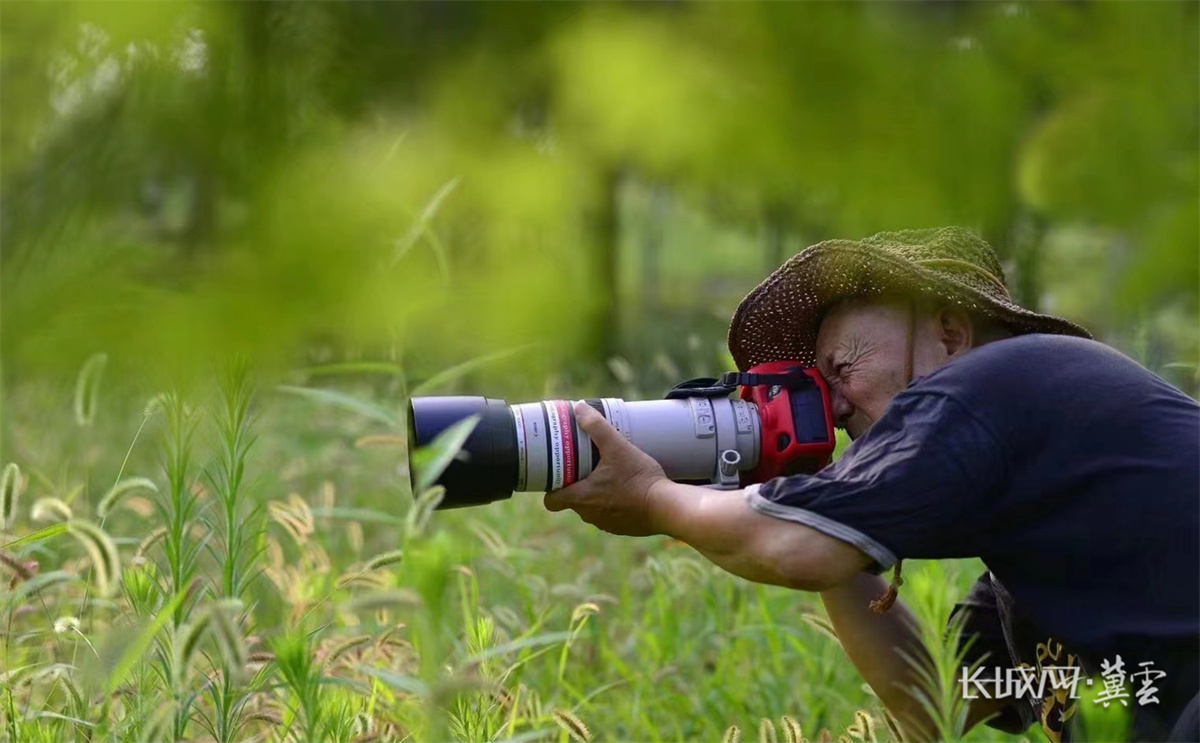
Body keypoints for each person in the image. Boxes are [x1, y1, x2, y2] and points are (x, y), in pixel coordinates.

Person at [543, 227, 1200, 743]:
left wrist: (653, 497)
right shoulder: (1035, 548)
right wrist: (821, 505)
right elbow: (936, 705)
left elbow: (799, 550)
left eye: (840, 368)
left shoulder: (1001, 375)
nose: (830, 409)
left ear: (949, 332)